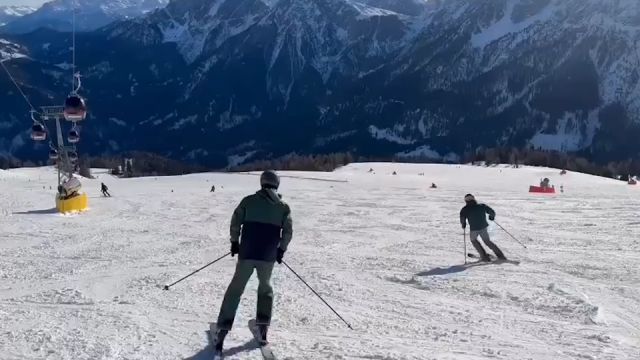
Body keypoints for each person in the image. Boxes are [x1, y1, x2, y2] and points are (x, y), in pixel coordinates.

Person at [214, 170, 293, 353]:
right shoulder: (283, 207)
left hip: (247, 253)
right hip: (268, 256)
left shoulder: (248, 201)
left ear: (262, 183)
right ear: (277, 184)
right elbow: (288, 232)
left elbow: (236, 221)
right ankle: (263, 327)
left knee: (236, 288)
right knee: (265, 288)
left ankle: (223, 329)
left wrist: (235, 242)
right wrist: (281, 250)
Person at [460, 194, 506, 262]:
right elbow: (491, 212)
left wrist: (463, 224)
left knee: (474, 240)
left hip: (474, 229)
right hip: (483, 227)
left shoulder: (465, 209)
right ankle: (500, 255)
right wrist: (491, 216)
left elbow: (462, 217)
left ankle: (484, 256)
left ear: (466, 201)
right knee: (487, 241)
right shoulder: (481, 206)